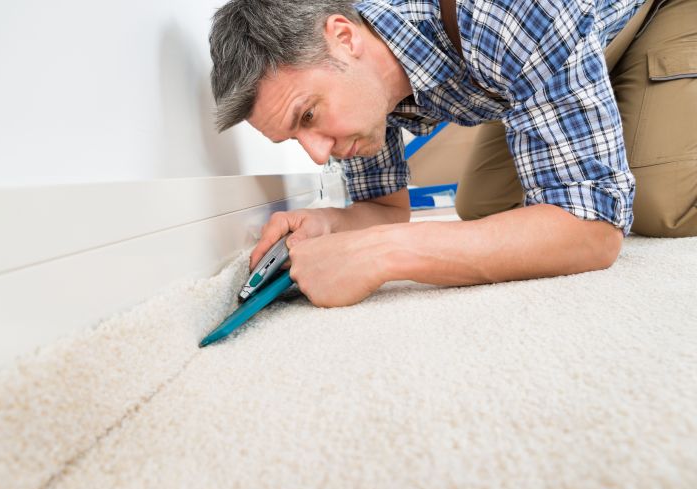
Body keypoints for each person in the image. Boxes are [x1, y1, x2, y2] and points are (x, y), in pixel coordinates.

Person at [208, 0, 696, 307]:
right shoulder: (357, 91)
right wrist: (331, 225)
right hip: (549, 60)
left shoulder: (505, 14)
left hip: (649, 14)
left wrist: (385, 254)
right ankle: (586, 104)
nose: (318, 156)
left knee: (657, 204)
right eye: (295, 138)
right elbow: (388, 209)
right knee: (482, 208)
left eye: (308, 117)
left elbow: (594, 234)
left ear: (343, 37)